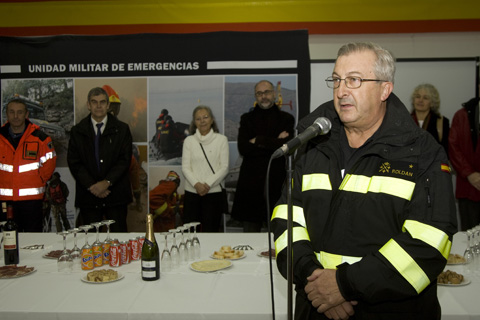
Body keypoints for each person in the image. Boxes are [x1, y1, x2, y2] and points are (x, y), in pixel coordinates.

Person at [271, 42, 457, 320]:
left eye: (354, 80)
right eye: (336, 80)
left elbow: (429, 243)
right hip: (316, 306)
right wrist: (313, 277)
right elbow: (286, 221)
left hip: (392, 311)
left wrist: (344, 286)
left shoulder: (422, 152)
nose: (341, 90)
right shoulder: (312, 144)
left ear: (385, 89)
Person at [231, 80, 295, 232]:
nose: (263, 96)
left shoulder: (286, 119)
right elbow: (244, 148)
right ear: (255, 96)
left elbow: (286, 147)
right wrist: (275, 141)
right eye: (259, 93)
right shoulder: (246, 119)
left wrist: (258, 140)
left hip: (276, 183)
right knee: (250, 238)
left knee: (277, 238)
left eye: (266, 92)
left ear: (273, 94)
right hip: (251, 186)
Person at [67, 87, 132, 232]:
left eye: (102, 102)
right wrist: (92, 185)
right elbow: (74, 162)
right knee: (90, 243)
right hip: (89, 196)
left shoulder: (122, 129)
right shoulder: (77, 131)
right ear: (88, 105)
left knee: (118, 241)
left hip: (115, 195)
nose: (98, 106)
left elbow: (124, 160)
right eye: (94, 102)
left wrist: (107, 182)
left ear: (108, 105)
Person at [0, 98, 56, 231]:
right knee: (8, 240)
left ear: (26, 115)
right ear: (7, 114)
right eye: (12, 112)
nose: (15, 116)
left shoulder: (40, 138)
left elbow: (49, 165)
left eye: (20, 112)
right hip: (5, 202)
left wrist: (39, 181)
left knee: (33, 240)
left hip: (32, 202)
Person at [182, 106, 229, 232]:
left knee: (211, 232)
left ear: (212, 120)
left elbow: (224, 167)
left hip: (213, 194)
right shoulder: (189, 141)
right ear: (194, 122)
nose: (202, 121)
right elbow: (185, 167)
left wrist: (207, 184)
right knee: (189, 234)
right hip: (192, 193)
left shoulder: (221, 140)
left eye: (205, 117)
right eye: (198, 118)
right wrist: (197, 184)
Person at [449, 84, 480, 230]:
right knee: (469, 236)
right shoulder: (461, 115)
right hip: (468, 186)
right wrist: (470, 174)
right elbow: (453, 147)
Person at [410, 83, 450, 156]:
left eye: (425, 98)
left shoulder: (441, 122)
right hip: (409, 165)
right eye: (418, 97)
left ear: (432, 102)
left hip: (433, 165)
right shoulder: (403, 121)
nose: (420, 100)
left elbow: (445, 151)